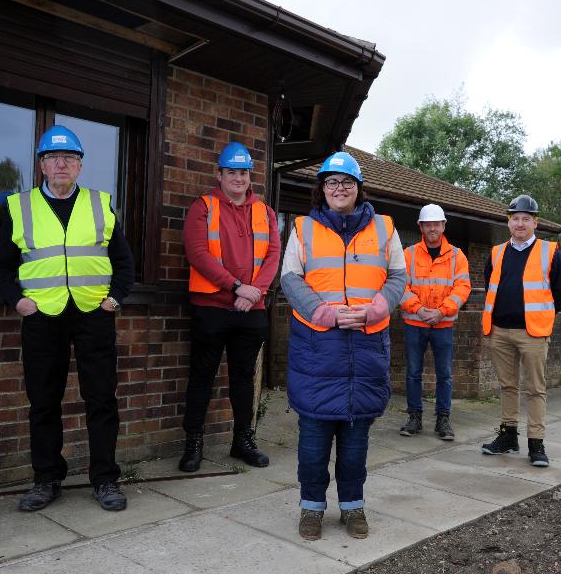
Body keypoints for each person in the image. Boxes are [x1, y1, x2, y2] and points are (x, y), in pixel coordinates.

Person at [0, 125, 134, 511]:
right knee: (43, 402)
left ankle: (105, 480)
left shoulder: (101, 204)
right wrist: (17, 301)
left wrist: (114, 300)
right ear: (41, 166)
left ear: (81, 166)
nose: (61, 164)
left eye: (70, 157)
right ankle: (46, 479)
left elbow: (125, 263)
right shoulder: (19, 207)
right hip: (42, 316)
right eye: (53, 158)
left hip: (93, 314)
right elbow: (0, 267)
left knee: (101, 399)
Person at [280, 151, 406, 541]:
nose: (339, 188)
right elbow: (290, 278)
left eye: (346, 182)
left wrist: (377, 308)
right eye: (332, 182)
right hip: (318, 348)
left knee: (355, 447)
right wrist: (326, 314)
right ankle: (312, 509)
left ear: (358, 188)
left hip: (365, 351)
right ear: (322, 189)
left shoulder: (385, 227)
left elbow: (399, 275)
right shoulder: (303, 227)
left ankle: (353, 507)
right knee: (314, 444)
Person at [180, 141, 281, 473]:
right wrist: (237, 287)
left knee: (243, 378)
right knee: (201, 378)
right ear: (219, 174)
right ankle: (193, 443)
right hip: (211, 308)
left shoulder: (265, 212)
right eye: (232, 172)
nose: (239, 178)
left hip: (250, 311)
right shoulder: (203, 207)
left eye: (244, 172)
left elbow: (272, 256)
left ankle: (243, 440)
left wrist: (254, 293)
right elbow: (198, 254)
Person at [480, 194, 561, 467]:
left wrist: (542, 317)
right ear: (509, 223)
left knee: (535, 389)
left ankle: (536, 443)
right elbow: (489, 288)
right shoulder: (496, 253)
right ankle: (508, 436)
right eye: (515, 218)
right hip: (500, 331)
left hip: (532, 333)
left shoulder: (550, 252)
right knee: (508, 386)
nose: (520, 223)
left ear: (535, 222)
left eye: (526, 219)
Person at [399, 204, 471, 441]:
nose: (432, 228)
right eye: (427, 224)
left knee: (445, 374)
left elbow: (462, 288)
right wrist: (418, 309)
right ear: (420, 226)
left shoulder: (457, 256)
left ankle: (443, 419)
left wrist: (441, 312)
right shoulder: (408, 254)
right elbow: (400, 286)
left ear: (443, 225)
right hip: (414, 323)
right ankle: (414, 417)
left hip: (443, 324)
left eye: (436, 224)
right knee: (413, 374)